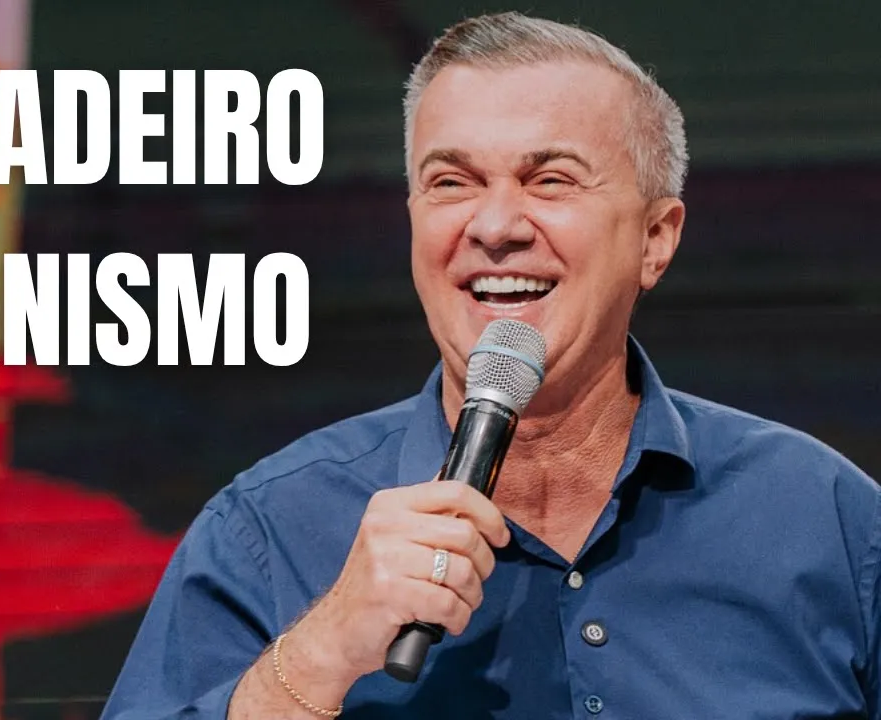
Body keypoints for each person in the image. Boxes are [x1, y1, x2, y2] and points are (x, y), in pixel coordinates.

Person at [99, 11, 881, 719]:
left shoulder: (828, 522)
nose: (496, 225)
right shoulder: (267, 530)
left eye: (551, 180)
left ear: (656, 239)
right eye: (451, 183)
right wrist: (319, 654)